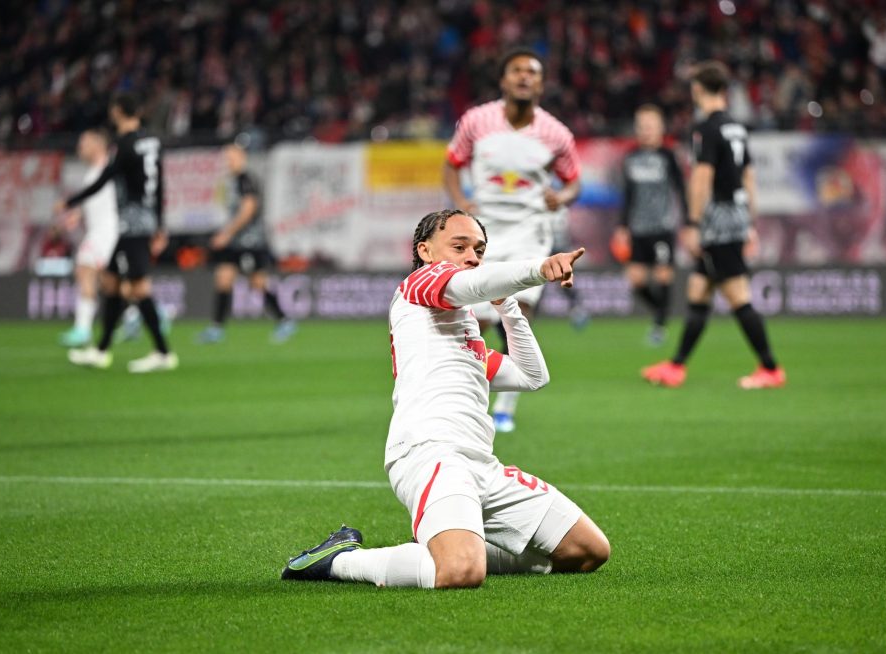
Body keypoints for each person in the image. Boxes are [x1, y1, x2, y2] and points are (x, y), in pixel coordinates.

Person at [280, 209, 609, 589]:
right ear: (425, 251)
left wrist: (507, 305)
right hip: (430, 452)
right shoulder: (418, 286)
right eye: (459, 246)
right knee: (460, 572)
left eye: (479, 250)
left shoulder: (463, 338)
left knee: (588, 551)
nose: (472, 256)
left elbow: (532, 376)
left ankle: (443, 548)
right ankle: (338, 560)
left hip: (482, 465)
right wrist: (538, 269)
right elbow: (472, 284)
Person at [443, 48, 582, 433]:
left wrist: (562, 198)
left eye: (532, 72)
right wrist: (459, 203)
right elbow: (451, 164)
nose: (524, 77)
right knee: (476, 318)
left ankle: (505, 407)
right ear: (503, 80)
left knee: (516, 311)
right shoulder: (476, 121)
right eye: (517, 70)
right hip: (482, 232)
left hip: (529, 231)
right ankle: (464, 398)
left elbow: (574, 181)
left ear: (541, 84)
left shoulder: (556, 133)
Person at [642, 62, 786, 389]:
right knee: (698, 290)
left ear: (697, 90)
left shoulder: (706, 128)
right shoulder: (737, 128)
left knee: (737, 294)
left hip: (718, 220)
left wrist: (693, 223)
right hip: (736, 214)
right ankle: (676, 366)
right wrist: (750, 221)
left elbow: (702, 177)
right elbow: (748, 176)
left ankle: (770, 368)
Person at [57, 92, 177, 373]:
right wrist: (160, 224)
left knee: (138, 288)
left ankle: (163, 352)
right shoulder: (152, 141)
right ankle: (101, 351)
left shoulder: (125, 144)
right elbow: (160, 186)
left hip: (130, 225)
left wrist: (70, 202)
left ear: (118, 112)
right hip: (143, 221)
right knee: (111, 283)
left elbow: (104, 179)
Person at [197, 143, 296, 344]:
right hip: (235, 242)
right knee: (223, 278)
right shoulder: (231, 181)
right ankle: (216, 328)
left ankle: (284, 320)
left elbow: (248, 210)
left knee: (257, 282)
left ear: (242, 158)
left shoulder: (246, 180)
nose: (228, 162)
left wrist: (227, 233)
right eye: (226, 158)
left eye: (232, 158)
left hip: (250, 242)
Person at [615, 105, 688, 346]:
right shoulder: (631, 158)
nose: (645, 130)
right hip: (637, 228)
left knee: (663, 275)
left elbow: (681, 189)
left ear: (660, 128)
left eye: (650, 126)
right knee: (636, 280)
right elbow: (628, 194)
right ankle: (661, 312)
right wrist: (623, 226)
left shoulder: (668, 156)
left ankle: (659, 326)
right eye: (641, 126)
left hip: (662, 227)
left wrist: (688, 222)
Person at [58, 129, 119, 348]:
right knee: (109, 282)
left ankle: (83, 328)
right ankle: (143, 314)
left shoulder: (110, 168)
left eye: (84, 144)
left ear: (98, 145)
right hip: (100, 230)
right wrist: (79, 214)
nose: (79, 148)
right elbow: (96, 199)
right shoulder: (93, 172)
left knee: (84, 270)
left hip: (106, 230)